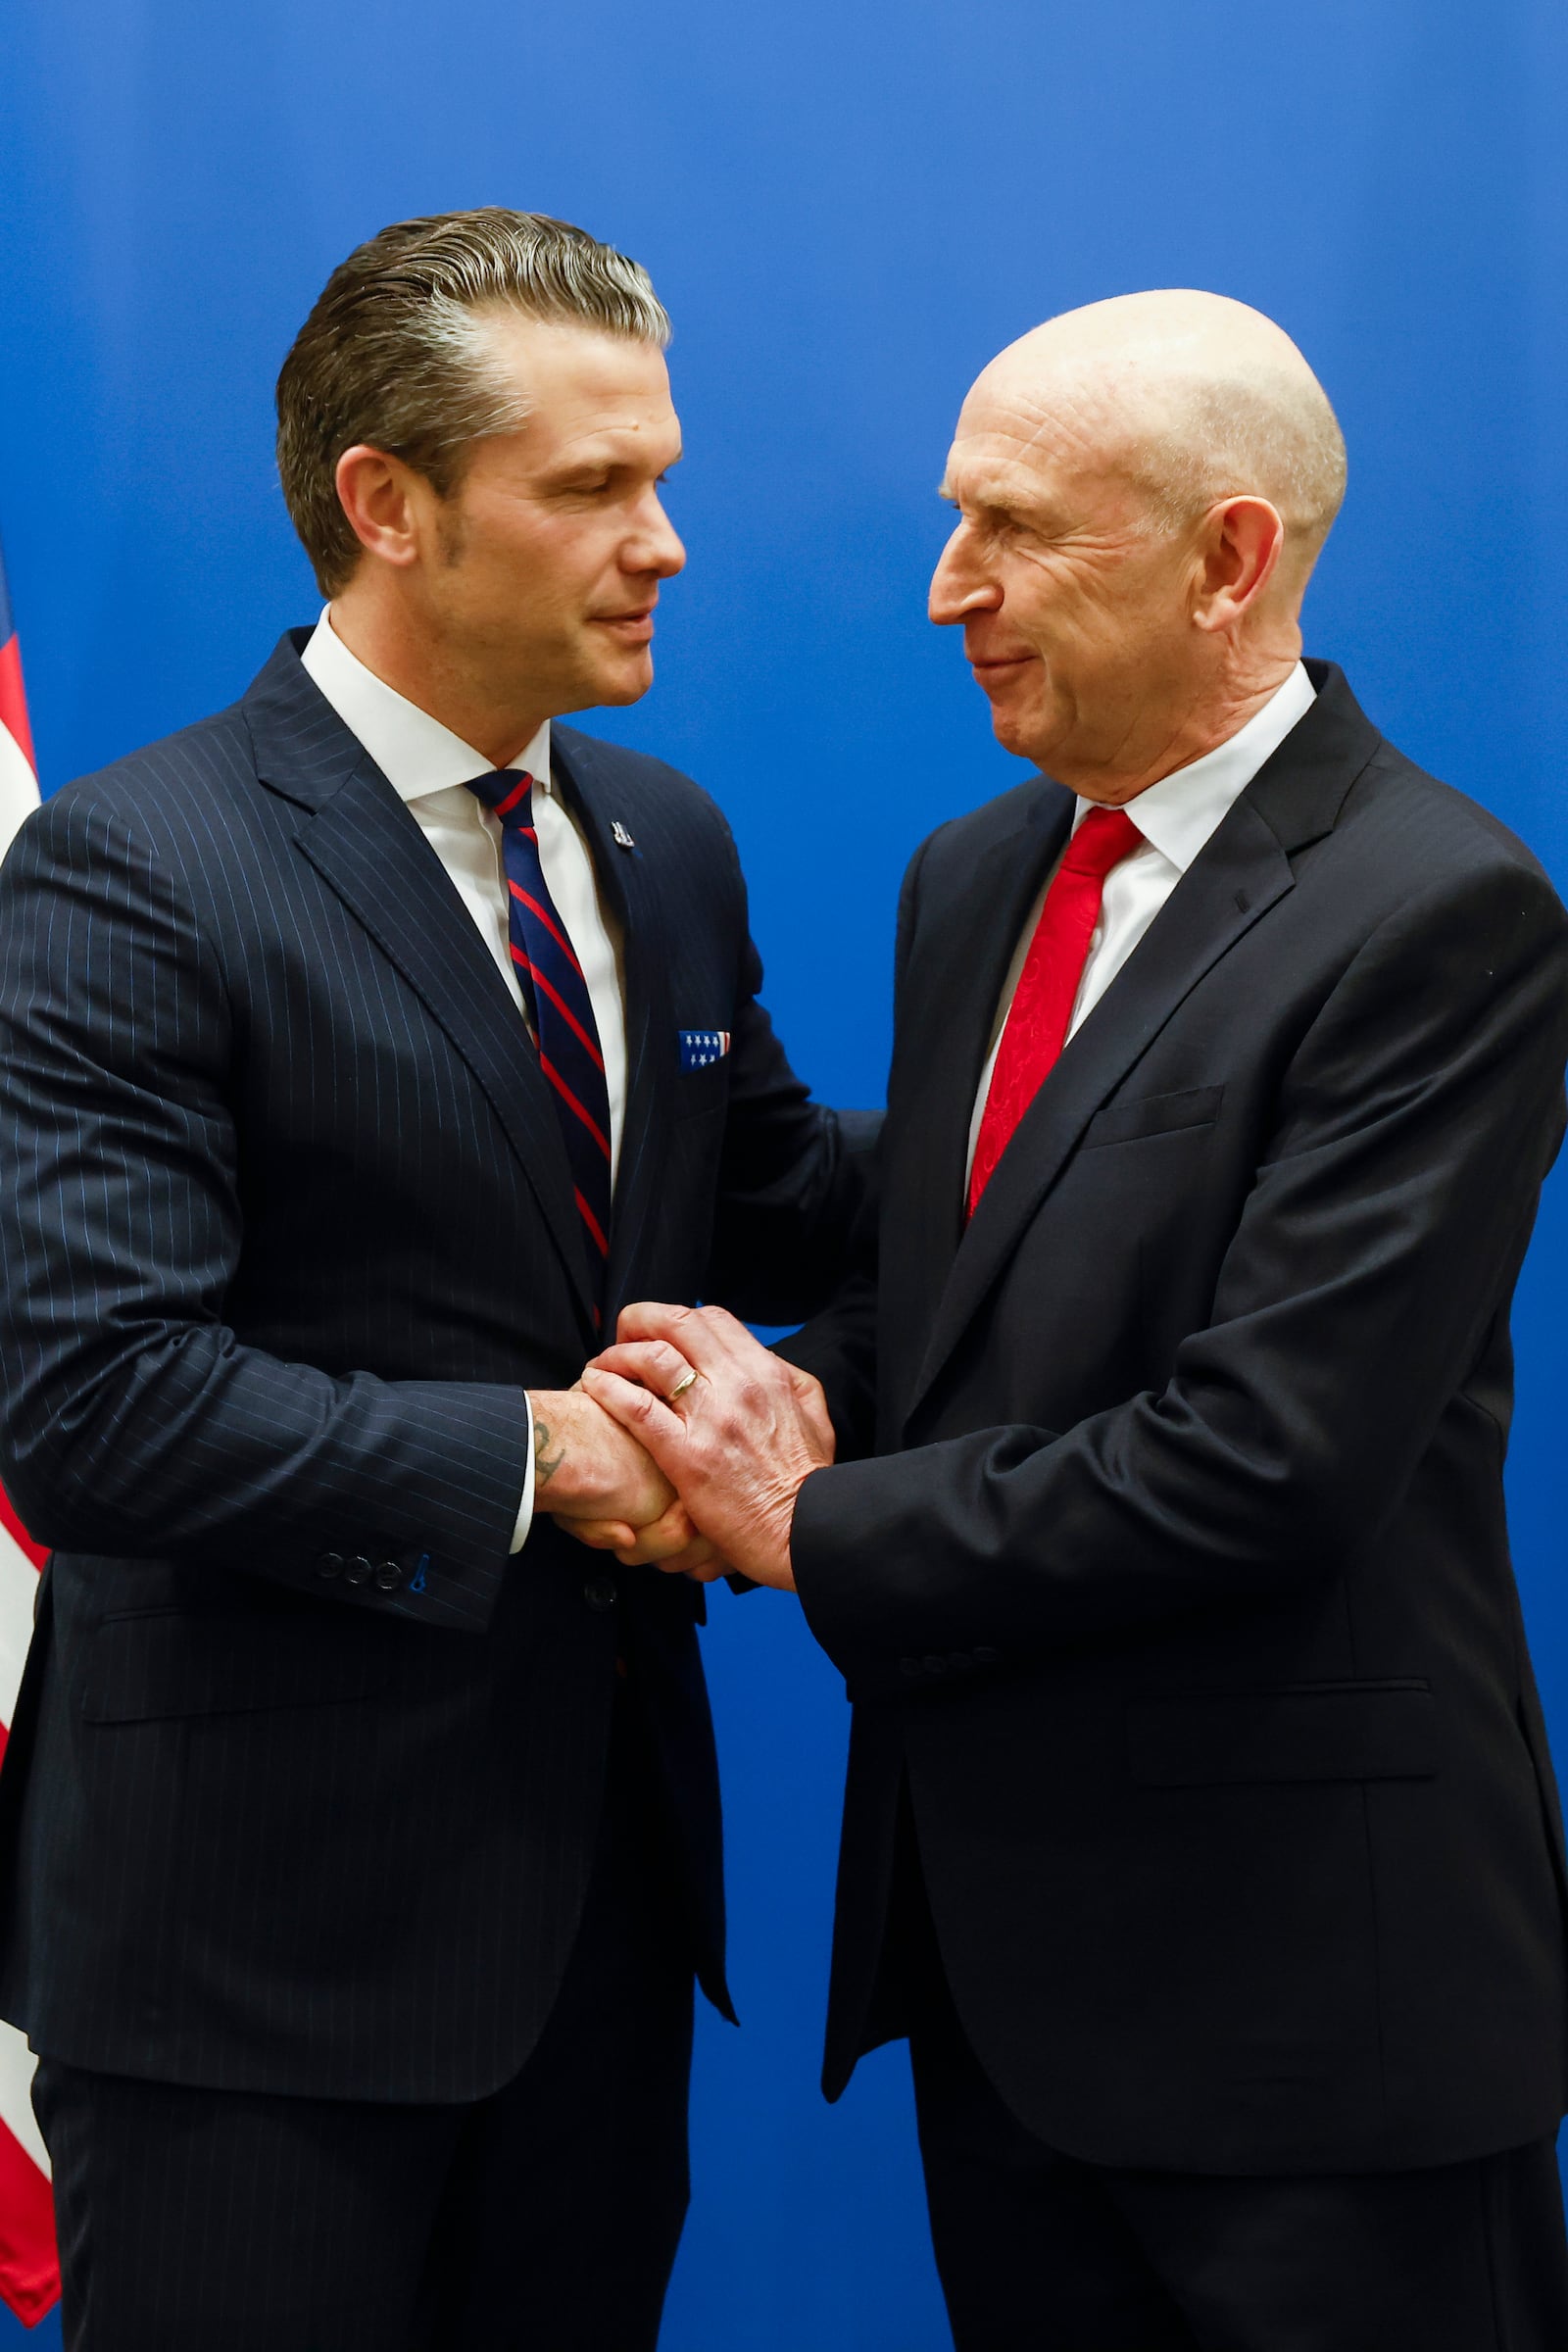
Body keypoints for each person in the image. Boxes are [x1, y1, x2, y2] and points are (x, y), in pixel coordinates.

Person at [583, 291, 1568, 2350]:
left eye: (1017, 531)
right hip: (1005, 2004)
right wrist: (776, 1401)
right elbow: (938, 1310)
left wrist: (800, 1526)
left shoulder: (1434, 912)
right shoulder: (975, 875)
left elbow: (1265, 1459)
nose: (949, 588)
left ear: (1229, 560)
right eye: (957, 520)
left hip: (1311, 2032)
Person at [0, 208, 869, 2352]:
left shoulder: (662, 839)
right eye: (590, 487)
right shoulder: (129, 869)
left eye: (658, 475)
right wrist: (542, 1462)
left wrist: (1157, 1120)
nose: (660, 540)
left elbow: (792, 1201)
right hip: (248, 1982)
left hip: (598, 1934)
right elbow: (93, 1403)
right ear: (384, 505)